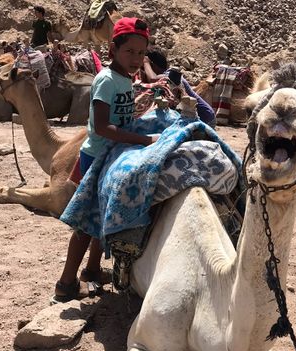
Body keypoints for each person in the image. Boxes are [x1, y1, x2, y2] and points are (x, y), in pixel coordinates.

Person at [53, 17, 156, 303]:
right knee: (86, 225)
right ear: (113, 49)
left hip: (111, 155)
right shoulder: (107, 80)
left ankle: (93, 270)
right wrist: (145, 140)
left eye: (141, 53)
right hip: (96, 158)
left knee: (102, 220)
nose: (136, 59)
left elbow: (117, 116)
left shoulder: (124, 78)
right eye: (130, 52)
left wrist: (137, 107)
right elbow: (101, 127)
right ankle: (65, 283)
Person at [141, 48, 216, 126]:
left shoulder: (171, 75)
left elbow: (153, 79)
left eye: (145, 69)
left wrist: (146, 62)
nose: (145, 71)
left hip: (206, 119)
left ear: (152, 65)